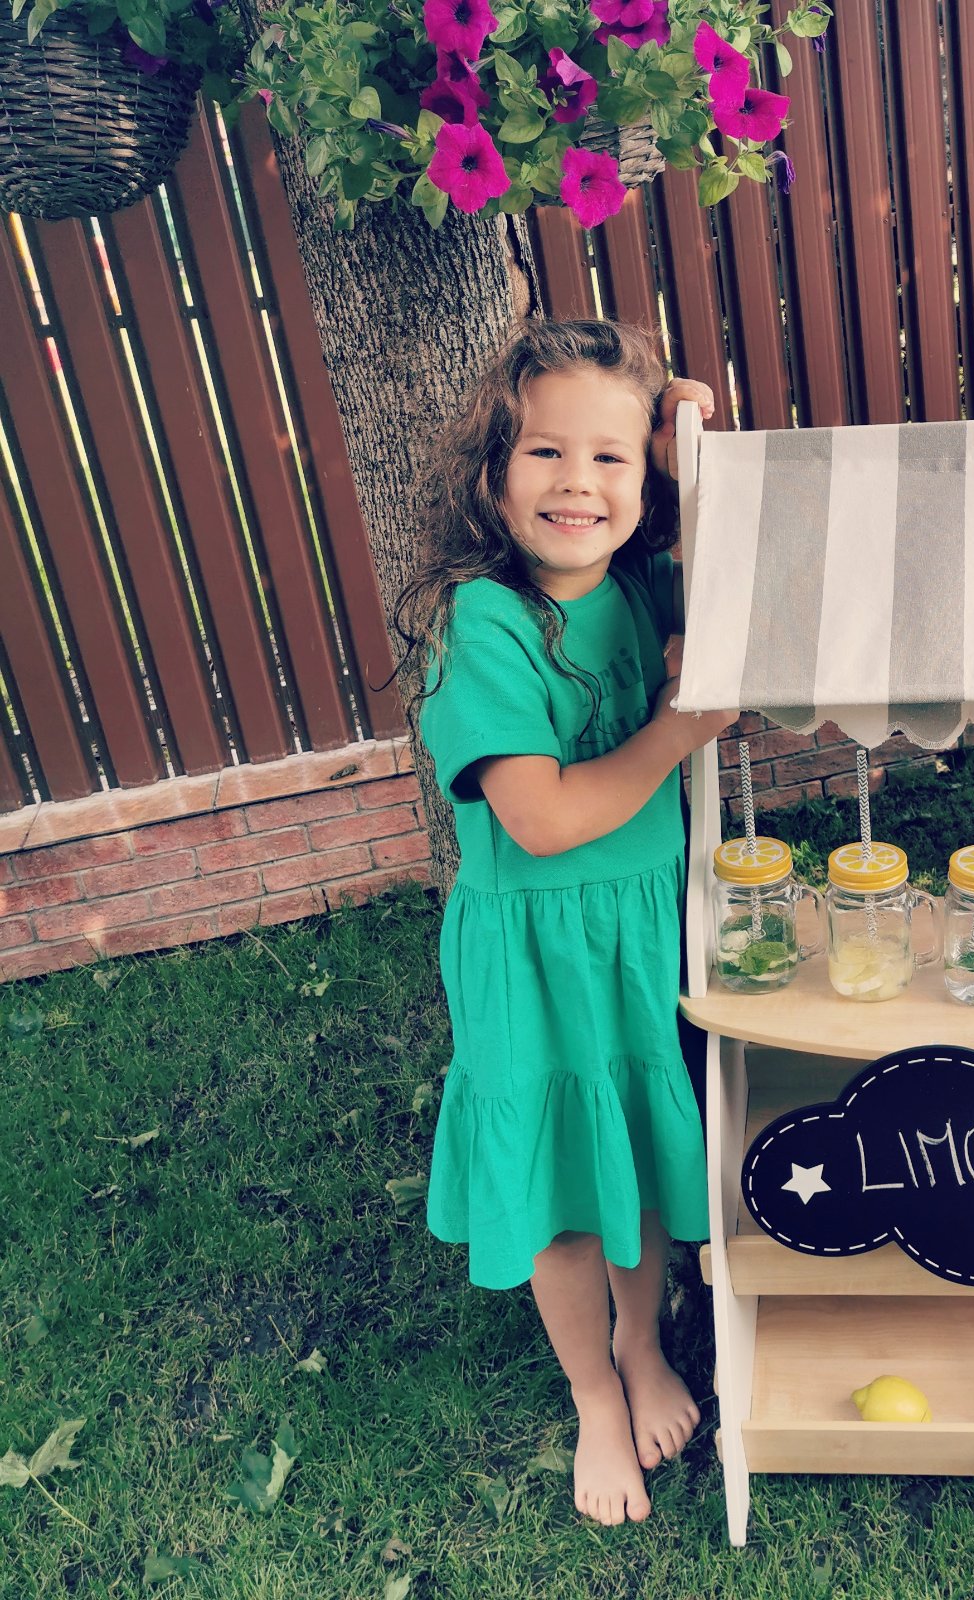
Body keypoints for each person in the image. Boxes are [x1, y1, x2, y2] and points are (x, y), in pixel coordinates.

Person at [390, 318, 732, 1526]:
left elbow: (744, 545)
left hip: (639, 929)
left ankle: (642, 1342)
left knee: (635, 1145)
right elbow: (538, 819)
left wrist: (689, 439)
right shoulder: (481, 621)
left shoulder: (638, 584)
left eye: (610, 457)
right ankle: (593, 1390)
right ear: (492, 468)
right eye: (544, 451)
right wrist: (678, 730)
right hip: (534, 953)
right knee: (564, 1188)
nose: (577, 483)